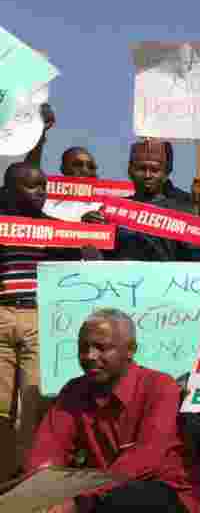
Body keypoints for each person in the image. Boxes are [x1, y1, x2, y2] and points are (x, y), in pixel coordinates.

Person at [27, 308, 200, 513]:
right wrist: (43, 494)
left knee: (127, 498)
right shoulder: (74, 390)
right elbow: (47, 450)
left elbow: (145, 460)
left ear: (130, 349)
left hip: (161, 495)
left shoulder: (160, 386)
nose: (90, 356)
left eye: (101, 348)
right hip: (99, 495)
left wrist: (80, 501)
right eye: (83, 348)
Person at [0, 162, 102, 482]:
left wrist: (85, 233)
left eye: (43, 186)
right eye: (32, 186)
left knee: (36, 399)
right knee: (1, 408)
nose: (41, 192)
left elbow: (79, 265)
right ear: (10, 190)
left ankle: (26, 476)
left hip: (40, 318)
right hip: (1, 315)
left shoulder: (56, 229)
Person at [90, 140, 200, 262]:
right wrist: (90, 230)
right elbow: (99, 257)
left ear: (165, 174)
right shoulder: (113, 210)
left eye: (155, 170)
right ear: (130, 171)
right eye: (141, 169)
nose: (147, 175)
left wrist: (196, 234)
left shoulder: (184, 212)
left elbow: (196, 261)